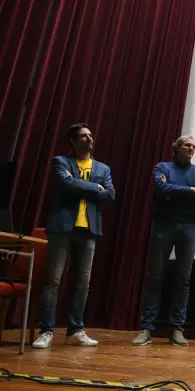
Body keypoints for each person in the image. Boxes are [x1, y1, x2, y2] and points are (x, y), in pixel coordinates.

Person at [32, 123, 116, 349]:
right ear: (73, 141)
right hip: (62, 228)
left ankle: (75, 331)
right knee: (53, 281)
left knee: (82, 284)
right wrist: (95, 188)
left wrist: (82, 185)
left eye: (90, 135)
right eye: (83, 136)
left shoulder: (103, 168)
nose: (89, 139)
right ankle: (46, 331)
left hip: (89, 231)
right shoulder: (61, 162)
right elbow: (65, 183)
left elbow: (110, 194)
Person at [132, 135, 195, 346]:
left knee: (183, 278)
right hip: (163, 224)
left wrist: (173, 190)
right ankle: (146, 328)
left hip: (189, 226)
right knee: (156, 275)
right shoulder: (162, 167)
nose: (191, 148)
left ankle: (176, 329)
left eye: (194, 146)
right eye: (187, 145)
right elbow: (161, 189)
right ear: (177, 147)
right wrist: (191, 190)